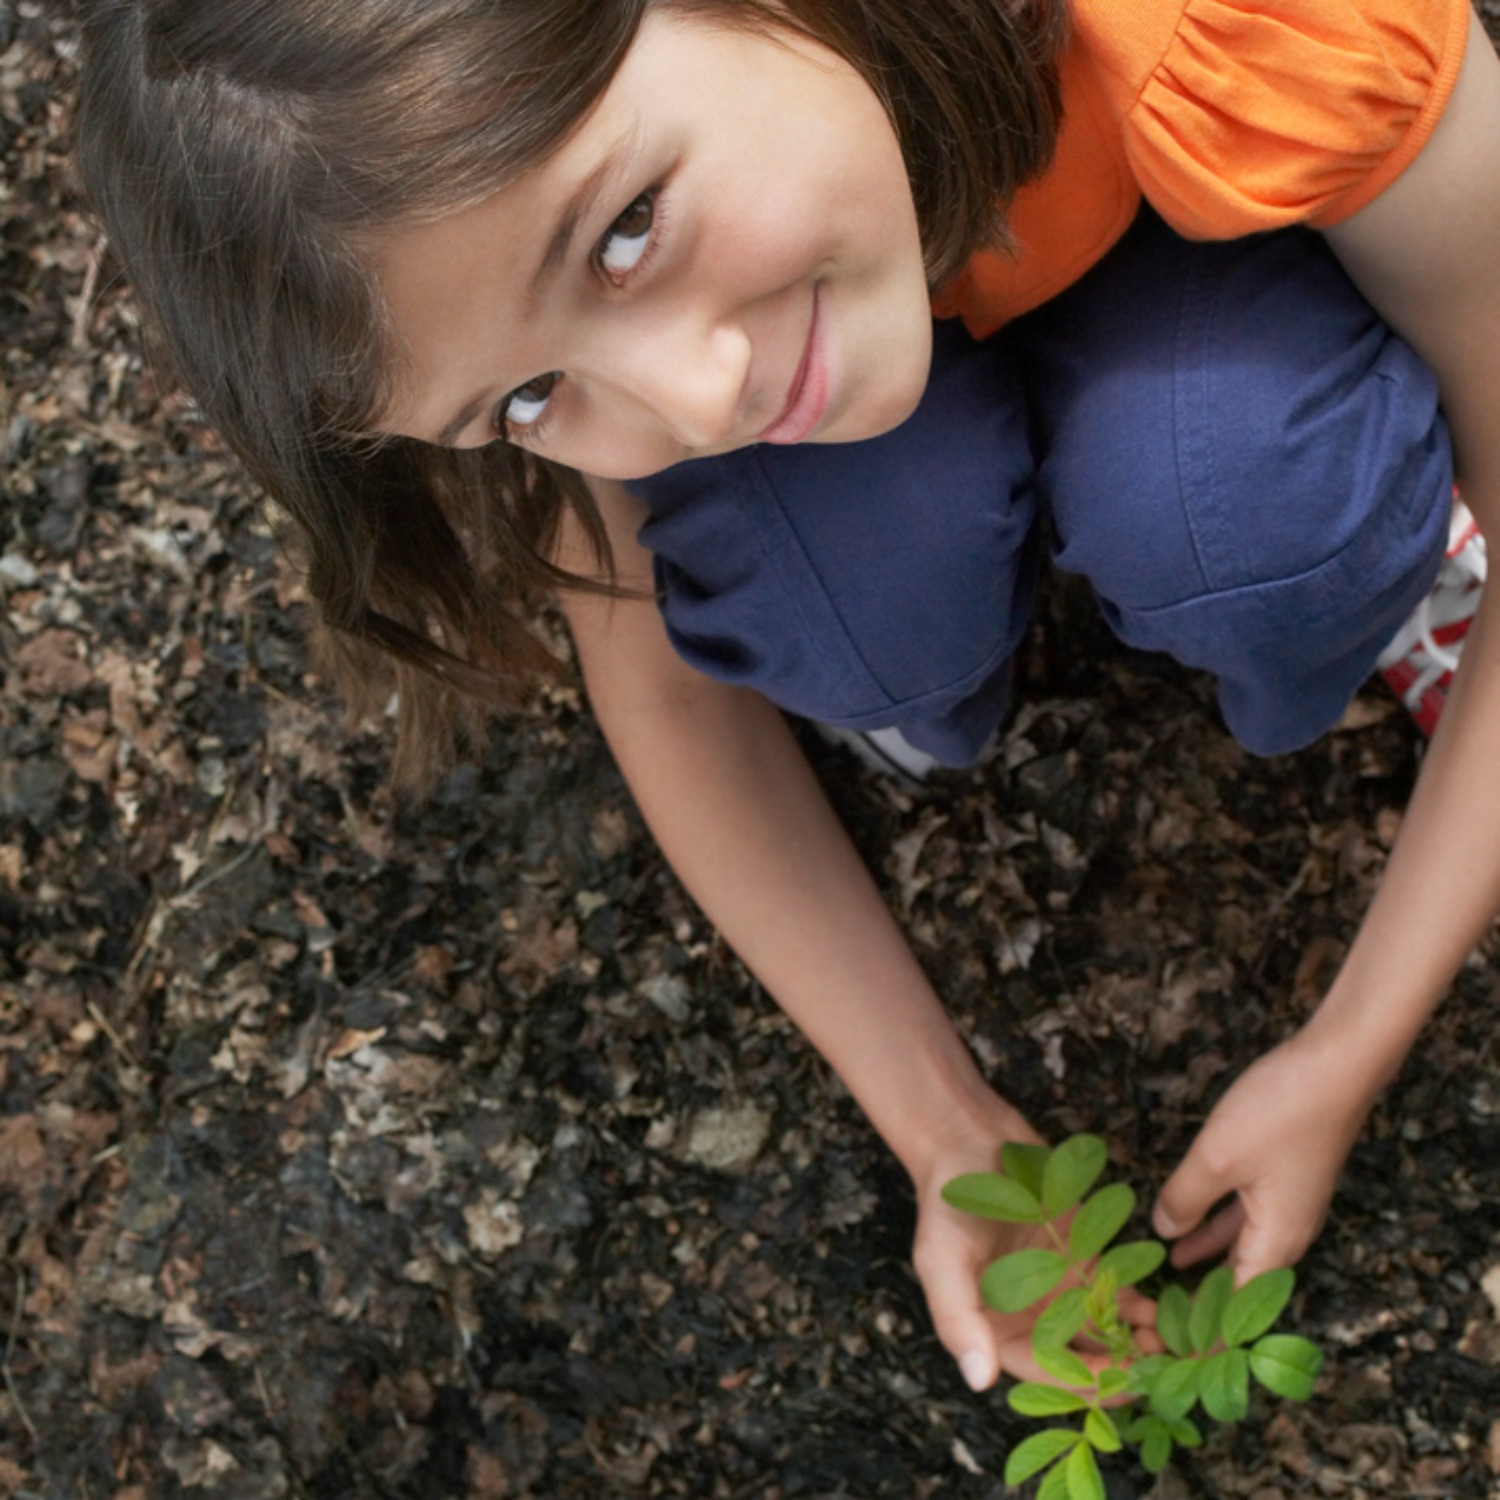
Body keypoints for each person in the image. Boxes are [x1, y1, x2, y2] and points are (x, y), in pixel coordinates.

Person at [73, 0, 1500, 1397]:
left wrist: (1347, 1050)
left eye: (628, 229)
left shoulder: (1239, 22)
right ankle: (918, 600)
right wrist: (945, 1134)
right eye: (524, 398)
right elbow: (671, 699)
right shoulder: (468, 234)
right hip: (890, 188)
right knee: (857, 610)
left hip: (1169, 206)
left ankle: (1393, 527)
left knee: (1254, 515)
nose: (689, 409)